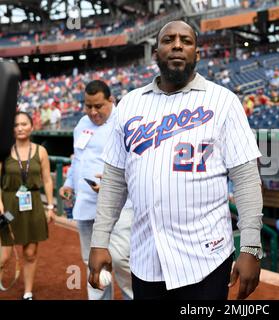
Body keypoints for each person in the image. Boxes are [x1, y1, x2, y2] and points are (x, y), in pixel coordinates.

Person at [88, 20, 263, 300]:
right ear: (156, 52)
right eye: (168, 40)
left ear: (197, 53)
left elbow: (246, 179)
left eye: (186, 40)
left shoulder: (224, 101)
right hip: (146, 259)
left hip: (207, 259)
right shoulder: (130, 104)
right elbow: (113, 181)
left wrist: (252, 246)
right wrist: (99, 241)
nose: (177, 44)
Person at [58, 80, 133, 300]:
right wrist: (69, 183)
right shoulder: (82, 124)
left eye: (98, 106)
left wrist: (113, 184)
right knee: (92, 262)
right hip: (86, 205)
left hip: (119, 206)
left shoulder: (125, 122)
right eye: (88, 106)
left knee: (120, 260)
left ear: (111, 100)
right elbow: (77, 158)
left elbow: (137, 165)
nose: (93, 112)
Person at [0, 112, 56, 300]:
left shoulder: (40, 151)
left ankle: (28, 293)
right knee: (4, 256)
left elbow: (47, 180)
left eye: (24, 124)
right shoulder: (4, 151)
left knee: (30, 253)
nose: (20, 128)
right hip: (8, 206)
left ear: (32, 127)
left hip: (32, 205)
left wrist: (50, 206)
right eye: (16, 125)